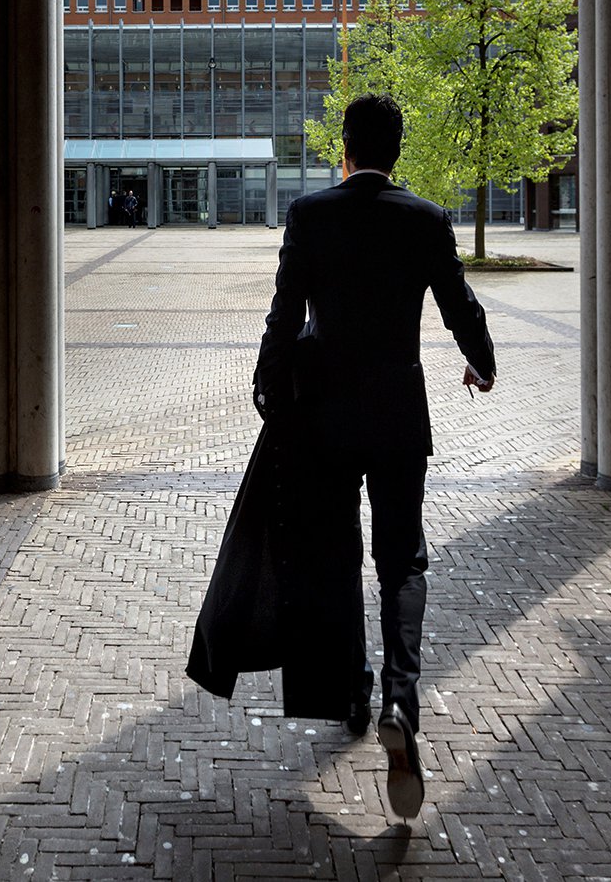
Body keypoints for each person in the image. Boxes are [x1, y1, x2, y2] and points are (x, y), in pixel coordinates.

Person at [187, 92, 495, 823]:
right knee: (402, 561)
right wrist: (481, 364)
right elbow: (460, 304)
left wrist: (268, 388)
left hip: (323, 419)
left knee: (333, 557)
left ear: (345, 151)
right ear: (397, 152)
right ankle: (399, 696)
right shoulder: (424, 219)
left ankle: (352, 690)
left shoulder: (311, 216)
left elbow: (284, 310)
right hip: (397, 415)